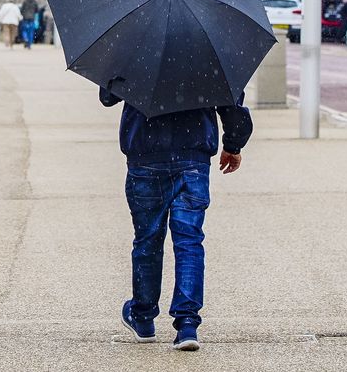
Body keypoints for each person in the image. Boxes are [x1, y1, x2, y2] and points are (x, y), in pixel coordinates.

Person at [101, 88, 253, 352]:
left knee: (147, 239)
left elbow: (107, 96)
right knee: (189, 241)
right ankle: (186, 323)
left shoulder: (133, 47)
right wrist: (233, 144)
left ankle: (143, 316)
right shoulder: (209, 50)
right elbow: (230, 102)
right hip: (193, 155)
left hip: (145, 153)